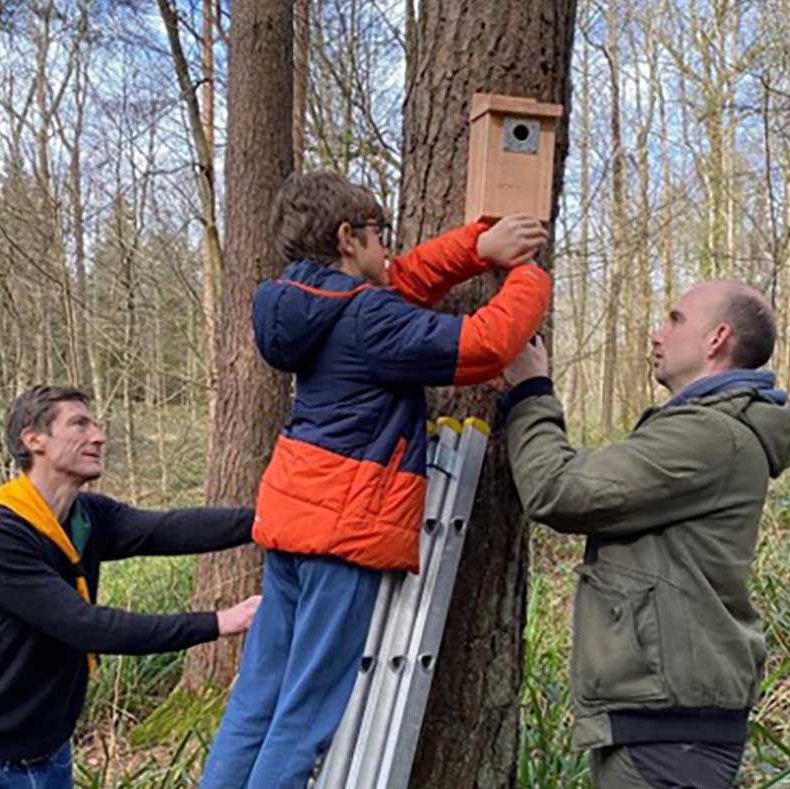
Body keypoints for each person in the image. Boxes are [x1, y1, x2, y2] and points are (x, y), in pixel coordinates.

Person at [199, 171, 552, 788]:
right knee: (304, 717)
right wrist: (528, 274)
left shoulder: (303, 302)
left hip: (291, 521)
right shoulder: (366, 318)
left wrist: (477, 247)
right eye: (377, 236)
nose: (387, 250)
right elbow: (487, 345)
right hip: (342, 529)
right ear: (346, 238)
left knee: (256, 702)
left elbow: (396, 285)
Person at [501, 281, 790, 789]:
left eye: (674, 319)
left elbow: (556, 490)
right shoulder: (711, 428)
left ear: (717, 338)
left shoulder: (710, 434)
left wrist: (530, 391)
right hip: (665, 720)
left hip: (668, 730)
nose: (656, 334)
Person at [0, 385, 262, 789]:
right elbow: (87, 626)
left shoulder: (85, 517)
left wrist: (266, 522)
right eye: (79, 424)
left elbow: (166, 529)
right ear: (34, 440)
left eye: (96, 424)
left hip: (50, 756)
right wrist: (219, 622)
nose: (98, 435)